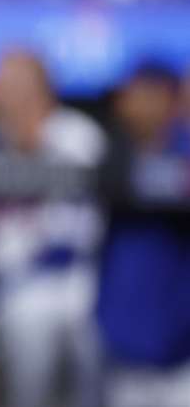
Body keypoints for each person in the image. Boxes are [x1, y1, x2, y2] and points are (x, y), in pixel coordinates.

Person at [0, 48, 108, 407]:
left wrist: (30, 145)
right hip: (19, 288)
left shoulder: (77, 133)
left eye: (11, 83)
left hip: (77, 283)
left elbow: (83, 209)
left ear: (40, 86)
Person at [95, 62, 190, 407]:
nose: (129, 104)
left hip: (182, 351)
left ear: (169, 98)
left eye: (143, 94)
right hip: (126, 348)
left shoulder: (184, 147)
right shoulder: (112, 153)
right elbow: (114, 181)